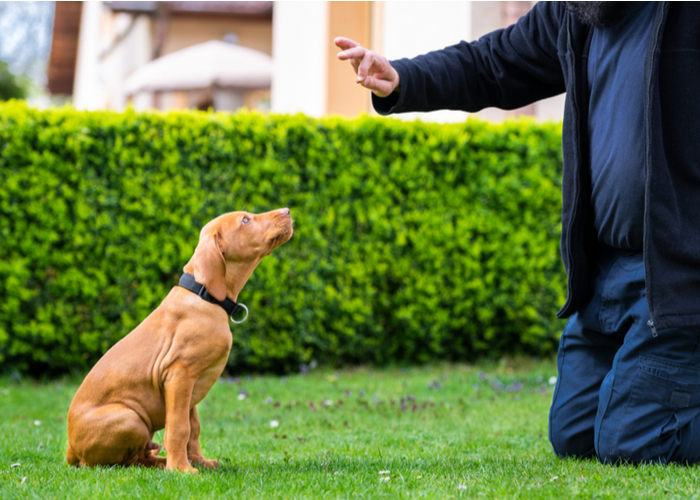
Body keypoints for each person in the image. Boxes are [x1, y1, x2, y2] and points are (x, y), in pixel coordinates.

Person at [336, 1, 700, 464]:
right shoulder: (578, 13)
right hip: (605, 277)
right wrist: (403, 78)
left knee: (633, 442)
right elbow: (492, 64)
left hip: (677, 279)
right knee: (575, 435)